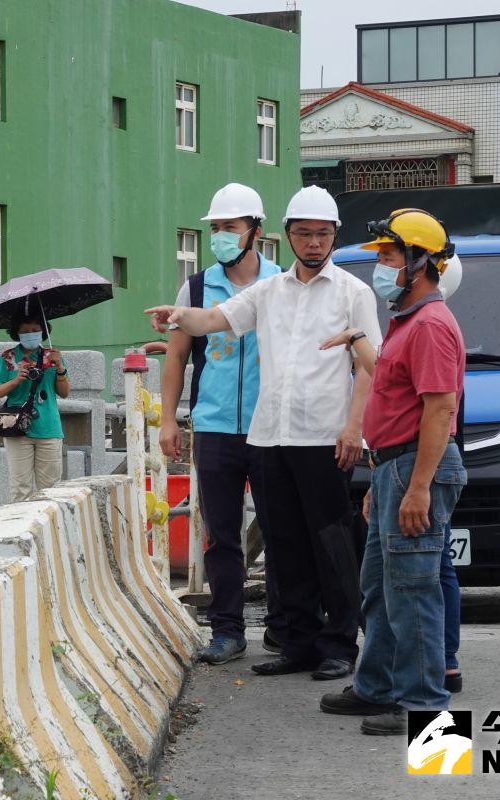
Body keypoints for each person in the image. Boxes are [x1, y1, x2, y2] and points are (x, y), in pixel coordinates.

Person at [147, 186, 382, 682]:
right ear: (288, 236)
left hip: (325, 437)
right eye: (304, 234)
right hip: (271, 435)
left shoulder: (352, 293)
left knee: (331, 542)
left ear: (334, 236)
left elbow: (368, 367)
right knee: (285, 541)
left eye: (322, 234)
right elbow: (215, 320)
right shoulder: (269, 292)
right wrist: (177, 316)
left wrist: (354, 428)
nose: (313, 243)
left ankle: (339, 642)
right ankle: (297, 642)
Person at [319, 208, 467, 736]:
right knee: (380, 587)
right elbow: (392, 386)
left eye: (388, 256)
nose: (379, 265)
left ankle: (428, 711)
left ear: (421, 262)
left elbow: (439, 409)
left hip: (414, 467)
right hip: (395, 468)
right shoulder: (407, 320)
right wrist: (383, 478)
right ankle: (376, 686)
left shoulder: (429, 325)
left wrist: (417, 486)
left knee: (413, 591)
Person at [158, 182, 284, 665]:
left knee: (279, 530)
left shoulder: (280, 282)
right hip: (213, 429)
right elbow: (176, 360)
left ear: (256, 230)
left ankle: (281, 628)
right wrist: (169, 420)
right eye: (215, 228)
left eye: (230, 227)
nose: (221, 236)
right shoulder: (194, 287)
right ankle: (227, 629)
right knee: (220, 534)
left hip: (272, 427)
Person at [0, 314, 71, 502]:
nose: (30, 334)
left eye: (35, 330)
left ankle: (49, 530)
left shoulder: (52, 356)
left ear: (44, 331)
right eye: (25, 331)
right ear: (16, 334)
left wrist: (60, 368)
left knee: (50, 491)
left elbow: (64, 392)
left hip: (49, 428)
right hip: (18, 429)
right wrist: (17, 379)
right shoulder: (8, 358)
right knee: (20, 489)